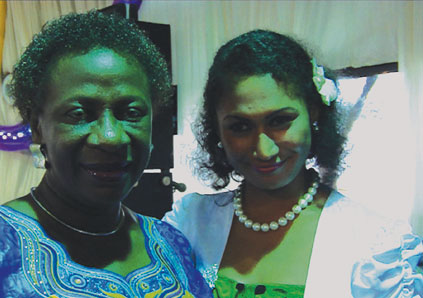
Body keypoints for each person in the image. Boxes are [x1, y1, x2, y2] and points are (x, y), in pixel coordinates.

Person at [0, 10, 212, 298]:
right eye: (79, 113)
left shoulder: (173, 245)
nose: (111, 137)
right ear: (37, 127)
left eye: (131, 112)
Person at [163, 29, 423, 297]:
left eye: (279, 121)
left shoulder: (375, 248)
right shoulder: (189, 223)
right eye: (240, 127)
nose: (264, 150)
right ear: (217, 130)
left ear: (314, 111)